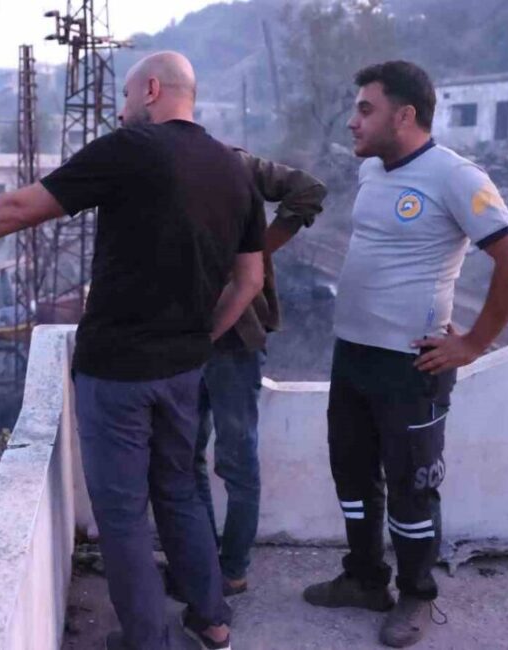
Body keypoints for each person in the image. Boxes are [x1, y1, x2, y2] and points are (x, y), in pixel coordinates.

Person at [0, 51, 266, 650]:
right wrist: (201, 339)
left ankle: (147, 642)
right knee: (181, 492)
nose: (119, 110)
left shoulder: (132, 149)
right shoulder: (234, 169)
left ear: (152, 90)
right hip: (185, 369)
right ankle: (212, 622)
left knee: (122, 515)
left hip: (117, 374)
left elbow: (16, 208)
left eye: (127, 99)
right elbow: (250, 282)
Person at [300, 61, 508, 648]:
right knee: (353, 477)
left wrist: (473, 343)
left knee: (412, 486)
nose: (353, 121)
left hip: (410, 367)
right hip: (352, 356)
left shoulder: (456, 176)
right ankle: (363, 578)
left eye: (365, 109)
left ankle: (416, 596)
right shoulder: (373, 173)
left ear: (404, 115)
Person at [193, 151, 326, 596]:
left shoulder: (231, 163)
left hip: (234, 340)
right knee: (185, 457)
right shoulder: (158, 167)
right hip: (181, 338)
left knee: (236, 461)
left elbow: (308, 189)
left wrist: (256, 251)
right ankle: (202, 562)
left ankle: (231, 570)